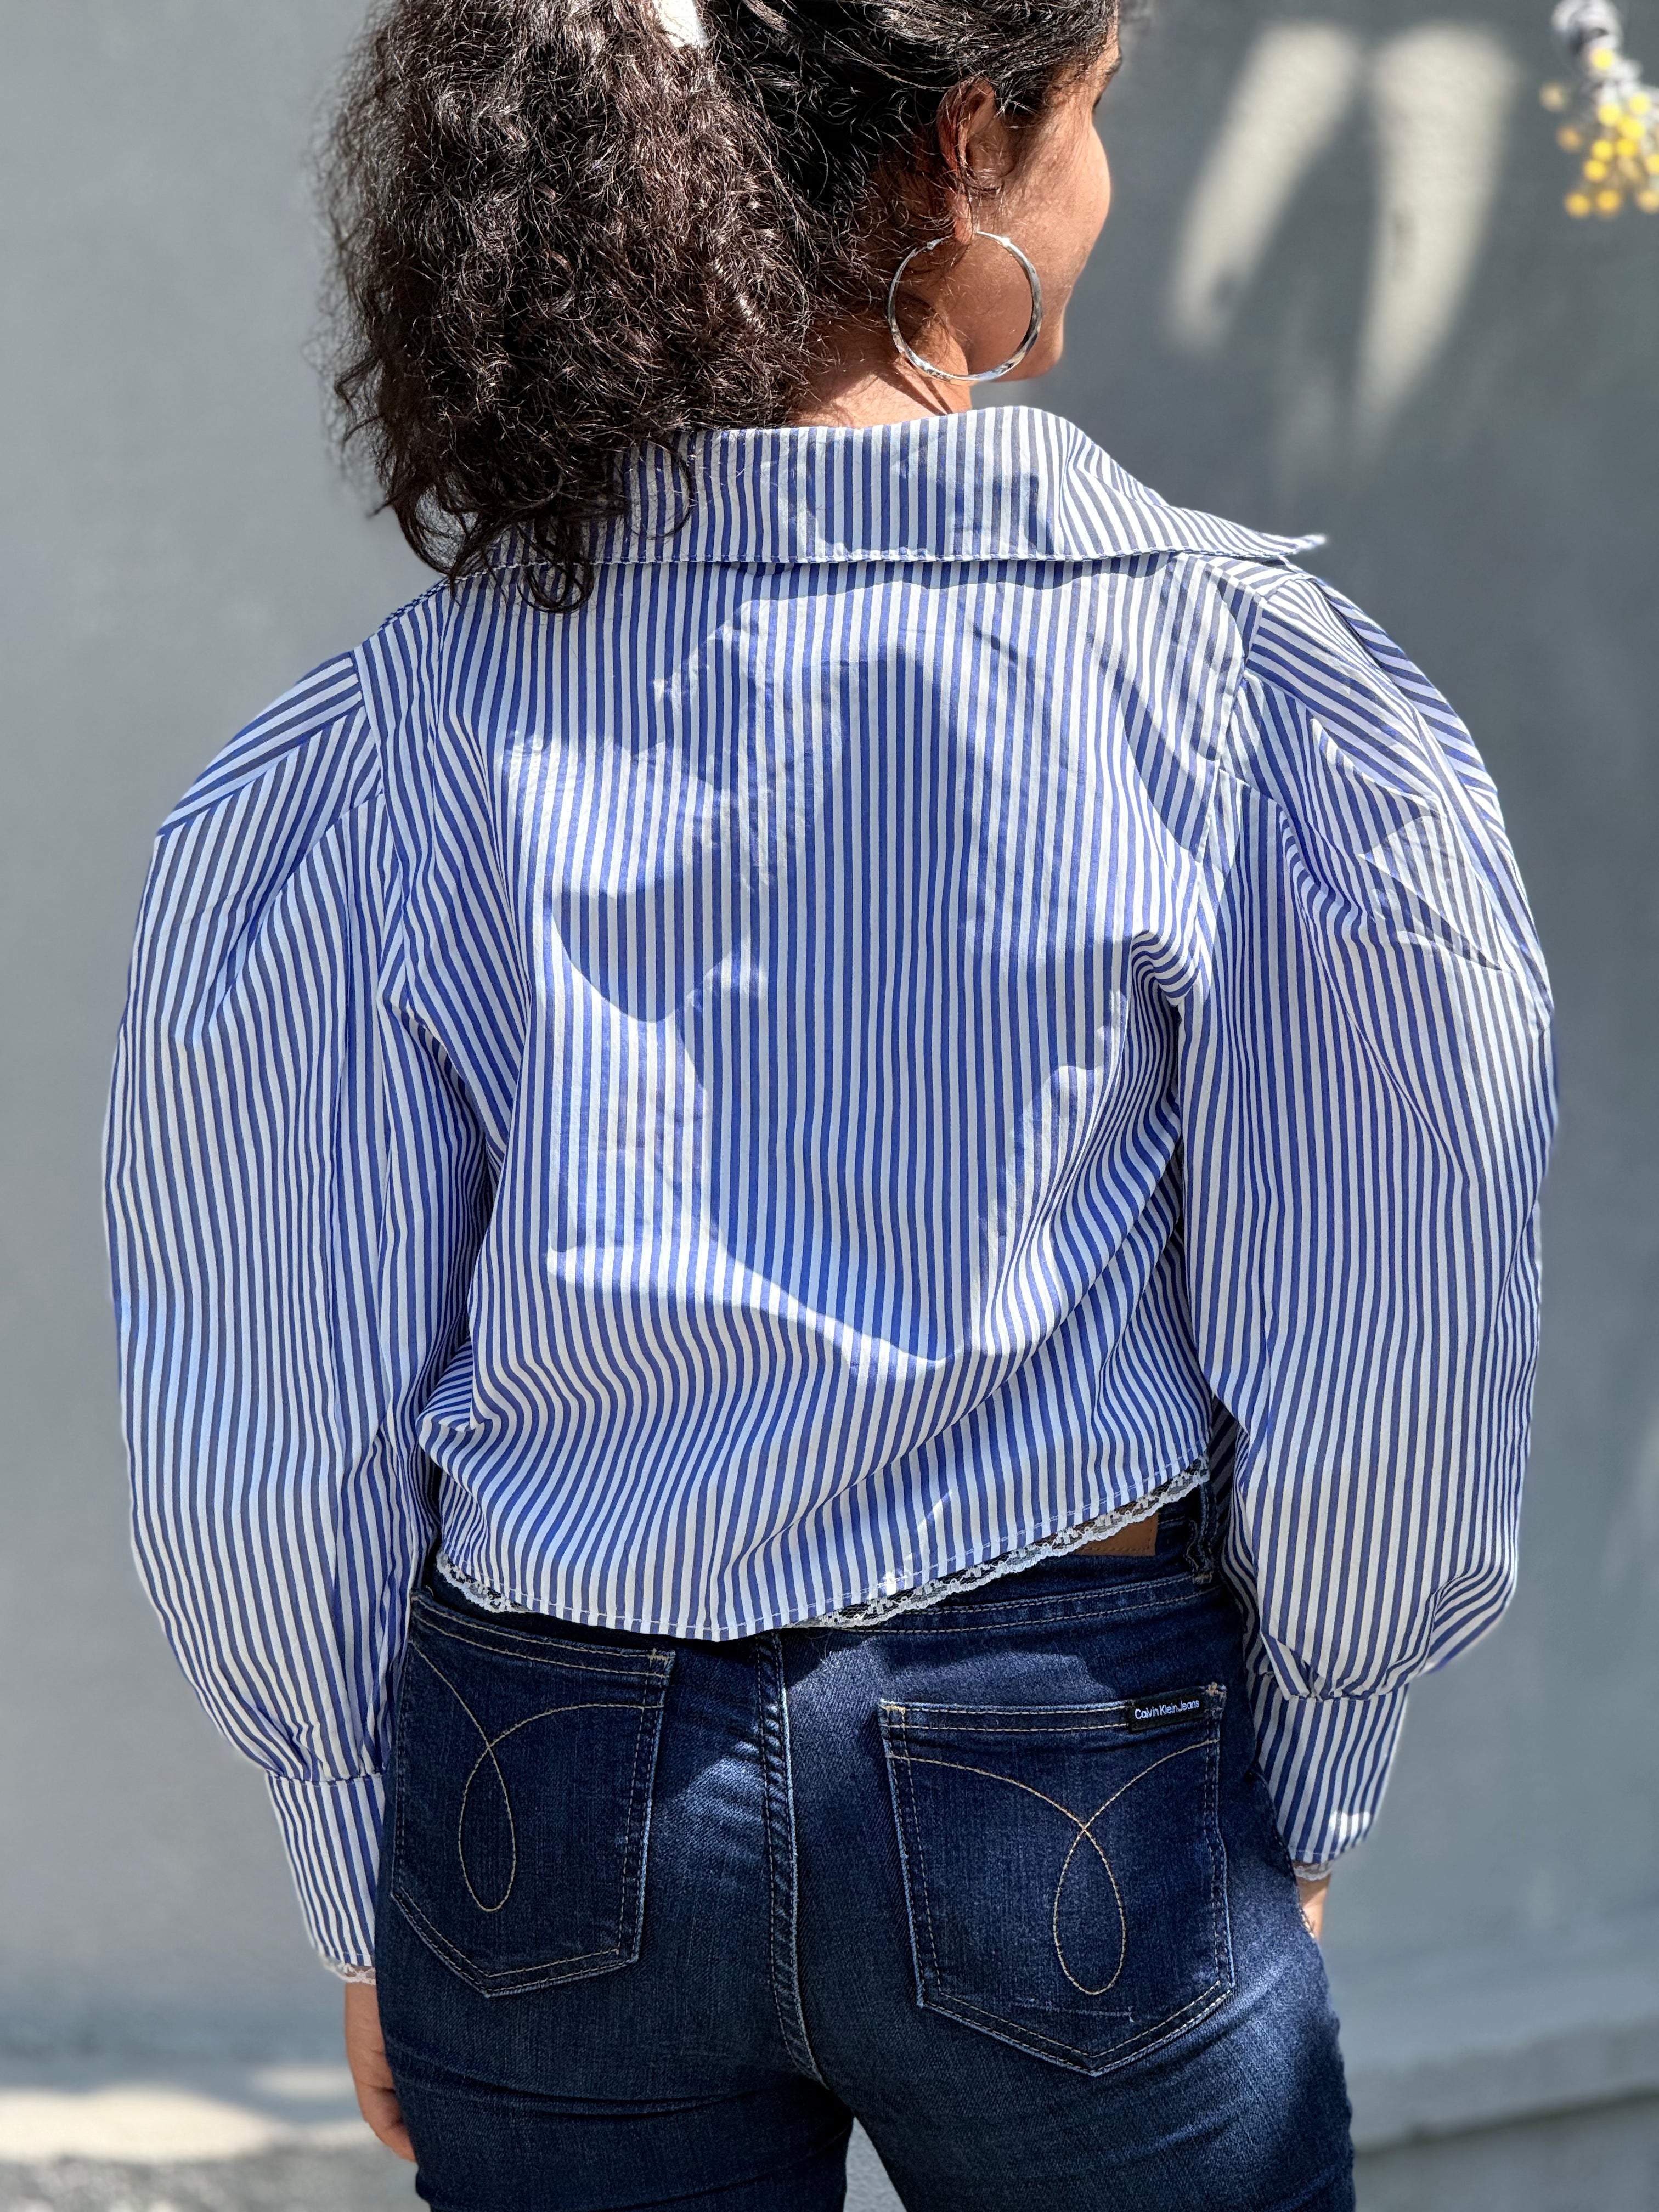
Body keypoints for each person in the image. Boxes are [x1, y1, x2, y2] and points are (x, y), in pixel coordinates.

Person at [103, 0, 1556, 2205]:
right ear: (970, 143)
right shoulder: (1236, 685)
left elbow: (271, 1413)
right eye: (1098, 116)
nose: (1105, 180)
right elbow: (1390, 1339)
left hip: (547, 1799)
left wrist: (352, 1849)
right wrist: (1312, 1763)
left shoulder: (387, 745)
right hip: (1074, 1772)